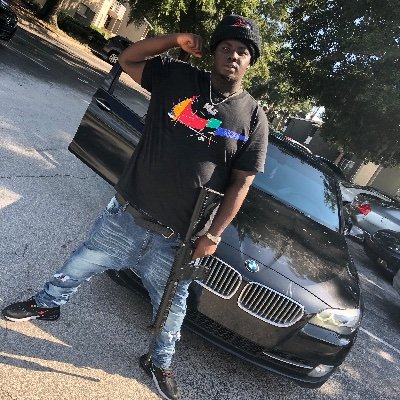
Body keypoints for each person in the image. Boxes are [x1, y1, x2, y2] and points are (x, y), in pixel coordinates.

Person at [2, 14, 269, 400]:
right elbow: (128, 58)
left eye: (242, 51)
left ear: (250, 61)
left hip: (178, 237)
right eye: (225, 47)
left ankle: (158, 362)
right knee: (78, 264)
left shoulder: (254, 118)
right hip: (127, 213)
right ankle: (47, 305)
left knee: (172, 311)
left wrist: (213, 235)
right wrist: (176, 39)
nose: (233, 55)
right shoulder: (177, 78)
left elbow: (241, 182)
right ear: (213, 53)